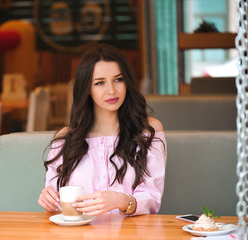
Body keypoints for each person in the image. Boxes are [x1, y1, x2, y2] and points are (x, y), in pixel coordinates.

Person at [38, 43, 166, 216]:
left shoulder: (148, 131)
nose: (111, 90)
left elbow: (152, 199)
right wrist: (49, 201)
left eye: (118, 79)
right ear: (87, 89)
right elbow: (57, 202)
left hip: (131, 232)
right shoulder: (66, 138)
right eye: (100, 83)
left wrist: (121, 201)